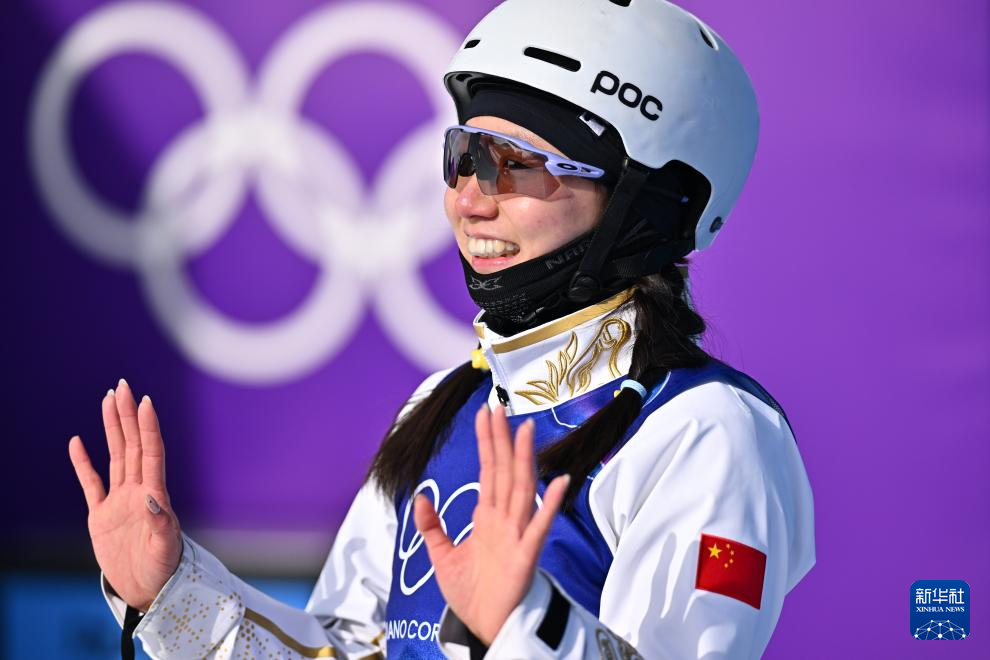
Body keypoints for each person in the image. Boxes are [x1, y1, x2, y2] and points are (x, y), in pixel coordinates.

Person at [68, 1, 816, 658]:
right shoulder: (443, 405)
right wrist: (175, 597)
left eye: (517, 165)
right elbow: (346, 651)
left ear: (644, 204)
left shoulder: (706, 431)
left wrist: (523, 625)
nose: (469, 199)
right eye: (464, 156)